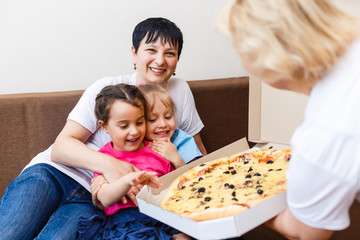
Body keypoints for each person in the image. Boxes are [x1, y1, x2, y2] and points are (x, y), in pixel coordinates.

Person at [0, 17, 206, 240]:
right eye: (151, 49)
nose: (160, 60)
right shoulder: (108, 89)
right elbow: (61, 147)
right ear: (134, 53)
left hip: (94, 198)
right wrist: (114, 167)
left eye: (170, 53)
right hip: (54, 173)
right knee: (10, 233)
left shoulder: (180, 90)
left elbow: (199, 152)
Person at [217, 0, 360, 239]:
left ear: (268, 55)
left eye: (241, 50)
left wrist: (235, 201)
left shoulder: (326, 131)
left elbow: (304, 231)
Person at [78, 84, 193, 240]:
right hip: (127, 221)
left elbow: (181, 186)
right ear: (104, 126)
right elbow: (104, 199)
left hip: (163, 214)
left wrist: (176, 160)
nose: (134, 131)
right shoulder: (105, 158)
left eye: (139, 122)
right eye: (124, 126)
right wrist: (127, 180)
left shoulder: (158, 148)